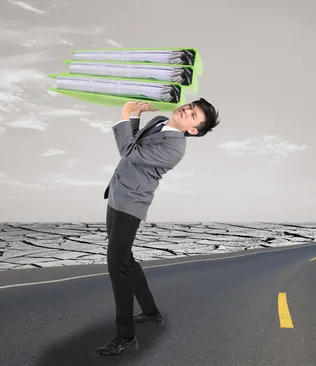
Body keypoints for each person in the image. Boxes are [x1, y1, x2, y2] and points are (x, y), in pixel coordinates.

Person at [93, 98, 220, 357]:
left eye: (193, 114)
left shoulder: (175, 149)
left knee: (117, 264)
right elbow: (137, 139)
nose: (186, 109)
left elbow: (129, 151)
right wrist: (136, 118)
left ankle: (126, 336)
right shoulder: (160, 121)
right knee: (125, 259)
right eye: (189, 106)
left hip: (132, 203)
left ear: (193, 130)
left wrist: (125, 114)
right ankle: (150, 313)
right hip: (117, 193)